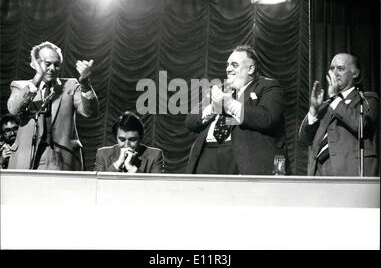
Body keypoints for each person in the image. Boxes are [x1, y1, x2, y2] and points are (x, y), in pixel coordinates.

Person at [185, 45, 288, 175]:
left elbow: (267, 118)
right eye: (227, 65)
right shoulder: (218, 90)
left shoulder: (268, 87)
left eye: (234, 65)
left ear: (250, 68)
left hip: (242, 157)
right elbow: (190, 121)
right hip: (207, 155)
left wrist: (230, 104)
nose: (228, 69)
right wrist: (212, 107)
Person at [7, 41, 99, 170]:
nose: (52, 69)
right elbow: (14, 109)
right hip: (29, 158)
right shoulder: (20, 86)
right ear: (34, 64)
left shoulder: (71, 86)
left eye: (56, 65)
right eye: (47, 64)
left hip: (63, 158)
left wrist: (85, 85)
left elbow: (90, 112)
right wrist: (37, 79)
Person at [298, 53, 379, 176]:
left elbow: (361, 126)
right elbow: (305, 139)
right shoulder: (325, 106)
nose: (334, 73)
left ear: (355, 73)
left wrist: (335, 98)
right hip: (319, 174)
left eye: (340, 69)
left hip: (350, 171)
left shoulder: (367, 99)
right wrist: (314, 109)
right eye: (332, 68)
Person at [95, 111, 164, 173]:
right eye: (122, 139)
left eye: (132, 140)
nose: (126, 145)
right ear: (116, 137)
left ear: (141, 138)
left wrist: (130, 167)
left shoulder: (155, 155)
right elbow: (97, 184)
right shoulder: (102, 154)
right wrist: (118, 163)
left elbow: (156, 186)